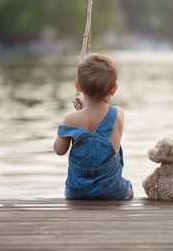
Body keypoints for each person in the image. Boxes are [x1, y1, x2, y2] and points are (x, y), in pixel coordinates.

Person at [53, 53, 133, 200]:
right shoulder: (118, 114)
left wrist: (80, 113)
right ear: (114, 89)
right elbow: (99, 116)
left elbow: (59, 150)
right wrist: (87, 106)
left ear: (78, 85)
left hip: (76, 191)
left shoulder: (71, 119)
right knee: (129, 188)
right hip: (111, 190)